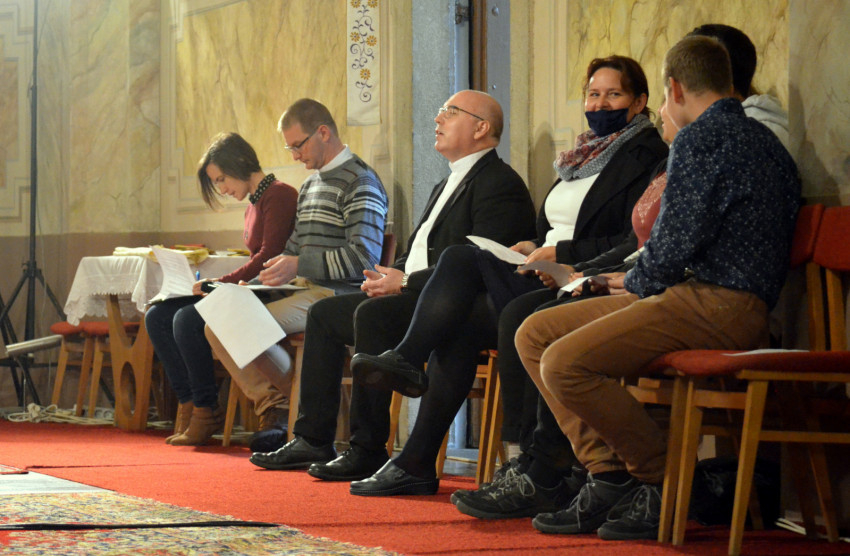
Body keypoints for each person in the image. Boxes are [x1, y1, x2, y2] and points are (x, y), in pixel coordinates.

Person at [457, 22, 796, 522]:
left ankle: (667, 480)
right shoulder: (762, 139)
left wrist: (628, 281)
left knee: (562, 362)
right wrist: (623, 280)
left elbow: (673, 248)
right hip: (705, 297)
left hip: (715, 302)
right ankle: (608, 475)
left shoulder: (701, 139)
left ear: (673, 89)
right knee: (535, 333)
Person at [347, 57, 667, 497]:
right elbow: (551, 226)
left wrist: (564, 255)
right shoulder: (582, 157)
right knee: (456, 311)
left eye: (613, 95)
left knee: (464, 267)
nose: (599, 104)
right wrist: (531, 245)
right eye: (593, 94)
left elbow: (629, 238)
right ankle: (415, 458)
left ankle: (519, 456)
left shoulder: (645, 156)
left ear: (640, 101)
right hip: (542, 266)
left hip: (580, 273)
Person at [248, 90, 537, 477]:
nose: (437, 119)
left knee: (373, 315)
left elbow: (483, 264)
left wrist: (406, 282)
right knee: (323, 314)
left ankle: (366, 448)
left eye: (450, 112)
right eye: (440, 111)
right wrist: (388, 275)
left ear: (481, 128)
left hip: (452, 304)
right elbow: (420, 248)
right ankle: (312, 437)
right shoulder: (446, 183)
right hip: (415, 291)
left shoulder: (500, 183)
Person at [205, 98, 388, 451]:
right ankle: (294, 403)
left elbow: (363, 259)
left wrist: (299, 264)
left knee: (240, 325)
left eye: (298, 145)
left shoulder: (360, 181)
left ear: (324, 133)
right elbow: (291, 248)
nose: (294, 156)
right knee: (218, 320)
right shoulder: (310, 185)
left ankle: (308, 408)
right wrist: (253, 284)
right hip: (304, 290)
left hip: (337, 295)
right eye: (289, 148)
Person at [145, 132, 298, 446]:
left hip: (272, 291)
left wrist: (220, 284)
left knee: (187, 319)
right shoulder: (253, 204)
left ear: (240, 163)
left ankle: (206, 410)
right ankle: (189, 402)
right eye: (217, 183)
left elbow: (269, 256)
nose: (222, 189)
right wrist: (218, 285)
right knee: (157, 316)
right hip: (250, 289)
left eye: (221, 179)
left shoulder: (279, 194)